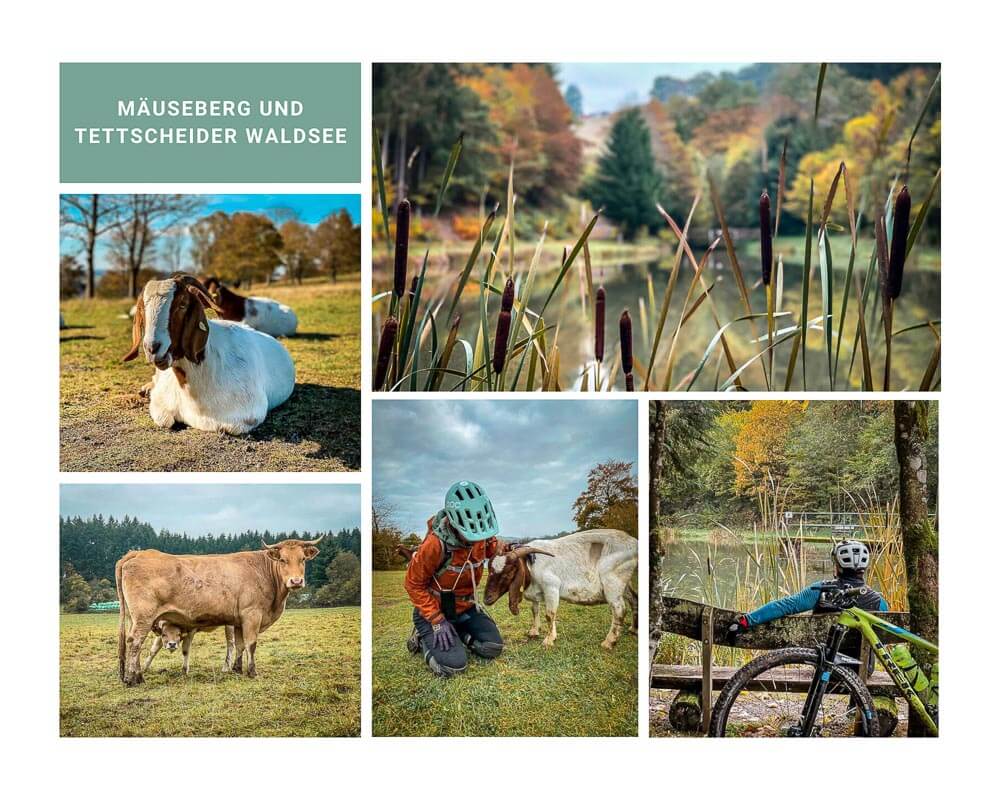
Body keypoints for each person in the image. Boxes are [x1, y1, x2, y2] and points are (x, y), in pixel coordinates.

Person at [404, 480, 504, 677]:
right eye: (470, 536)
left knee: (493, 647)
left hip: (465, 609)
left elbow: (497, 550)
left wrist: (510, 551)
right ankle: (424, 639)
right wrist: (437, 620)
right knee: (453, 667)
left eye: (480, 536)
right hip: (434, 612)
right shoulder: (434, 545)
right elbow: (413, 584)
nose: (477, 542)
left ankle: (457, 632)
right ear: (454, 523)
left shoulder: (481, 536)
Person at [727, 539, 888, 645]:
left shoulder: (821, 591)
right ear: (864, 568)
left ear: (837, 566)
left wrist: (746, 620)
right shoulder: (878, 602)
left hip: (824, 665)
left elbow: (784, 606)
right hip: (863, 671)